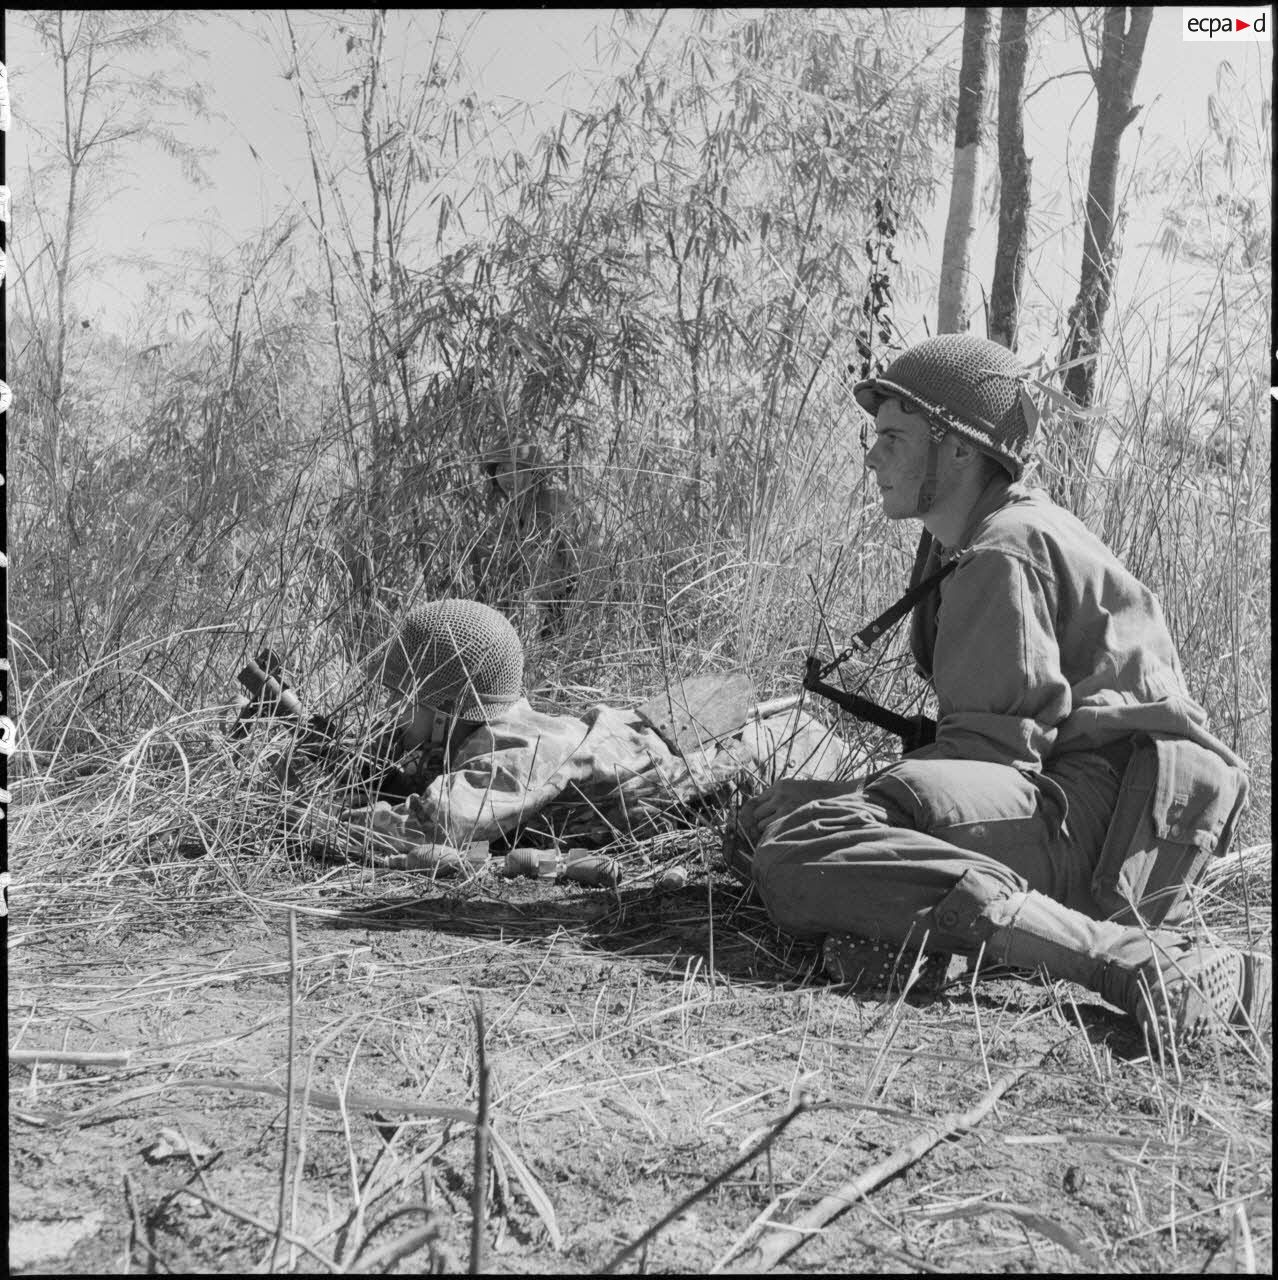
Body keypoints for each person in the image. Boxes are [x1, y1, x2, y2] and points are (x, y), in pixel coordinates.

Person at [730, 333, 1269, 1051]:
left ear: (958, 449)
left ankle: (1131, 962)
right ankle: (955, 943)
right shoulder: (987, 535)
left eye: (893, 438)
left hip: (1102, 823)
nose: (872, 457)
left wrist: (839, 796)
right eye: (874, 437)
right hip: (1114, 815)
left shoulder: (1001, 551)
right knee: (763, 836)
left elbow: (993, 758)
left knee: (798, 847)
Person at [347, 597, 851, 860]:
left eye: (404, 701)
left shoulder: (515, 748)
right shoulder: (498, 731)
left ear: (446, 711)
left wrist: (327, 814)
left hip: (781, 756)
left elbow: (428, 829)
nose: (393, 712)